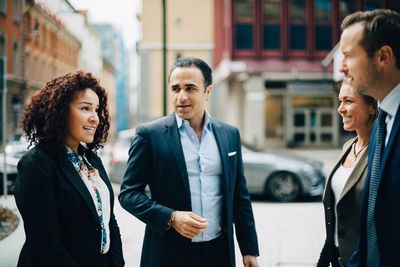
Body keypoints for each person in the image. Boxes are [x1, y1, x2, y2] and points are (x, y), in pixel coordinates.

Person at [119, 57, 259, 267]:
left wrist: (249, 250)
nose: (181, 96)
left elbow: (240, 196)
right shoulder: (150, 135)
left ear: (208, 92)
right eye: (175, 89)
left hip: (218, 252)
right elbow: (128, 194)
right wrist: (171, 218)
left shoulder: (230, 135)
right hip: (169, 254)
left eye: (190, 88)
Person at [14, 71, 125, 267]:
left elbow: (108, 221)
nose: (95, 118)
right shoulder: (36, 165)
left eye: (97, 110)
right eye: (85, 108)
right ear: (61, 110)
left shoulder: (92, 160)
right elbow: (46, 244)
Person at [339, 9, 400, 266]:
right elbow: (372, 226)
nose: (342, 67)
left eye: (349, 56)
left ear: (383, 56)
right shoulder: (380, 126)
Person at [317, 82, 377, 267]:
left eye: (348, 101)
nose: (340, 109)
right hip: (336, 257)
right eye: (340, 101)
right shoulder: (348, 147)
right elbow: (338, 213)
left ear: (372, 107)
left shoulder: (381, 153)